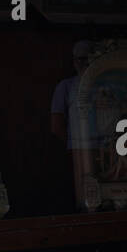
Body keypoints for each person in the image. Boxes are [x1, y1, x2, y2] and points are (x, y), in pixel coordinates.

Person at [50, 40, 95, 206]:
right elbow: (56, 125)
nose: (84, 63)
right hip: (79, 151)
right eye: (80, 59)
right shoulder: (66, 86)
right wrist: (74, 144)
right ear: (74, 61)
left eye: (88, 59)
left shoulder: (102, 83)